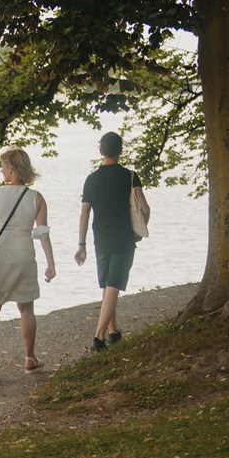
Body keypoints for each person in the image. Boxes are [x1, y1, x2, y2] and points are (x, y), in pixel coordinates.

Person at [0, 148, 56, 382]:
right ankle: (30, 358)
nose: (1, 170)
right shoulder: (37, 198)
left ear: (11, 169)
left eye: (3, 166)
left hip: (0, 253)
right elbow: (41, 233)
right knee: (26, 308)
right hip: (24, 253)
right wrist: (51, 264)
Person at [75, 131, 150, 351]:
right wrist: (141, 228)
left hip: (101, 239)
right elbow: (144, 208)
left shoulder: (91, 179)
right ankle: (99, 339)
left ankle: (113, 332)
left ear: (101, 151)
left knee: (108, 286)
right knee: (113, 286)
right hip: (123, 239)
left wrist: (81, 245)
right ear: (121, 150)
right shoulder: (130, 176)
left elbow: (84, 214)